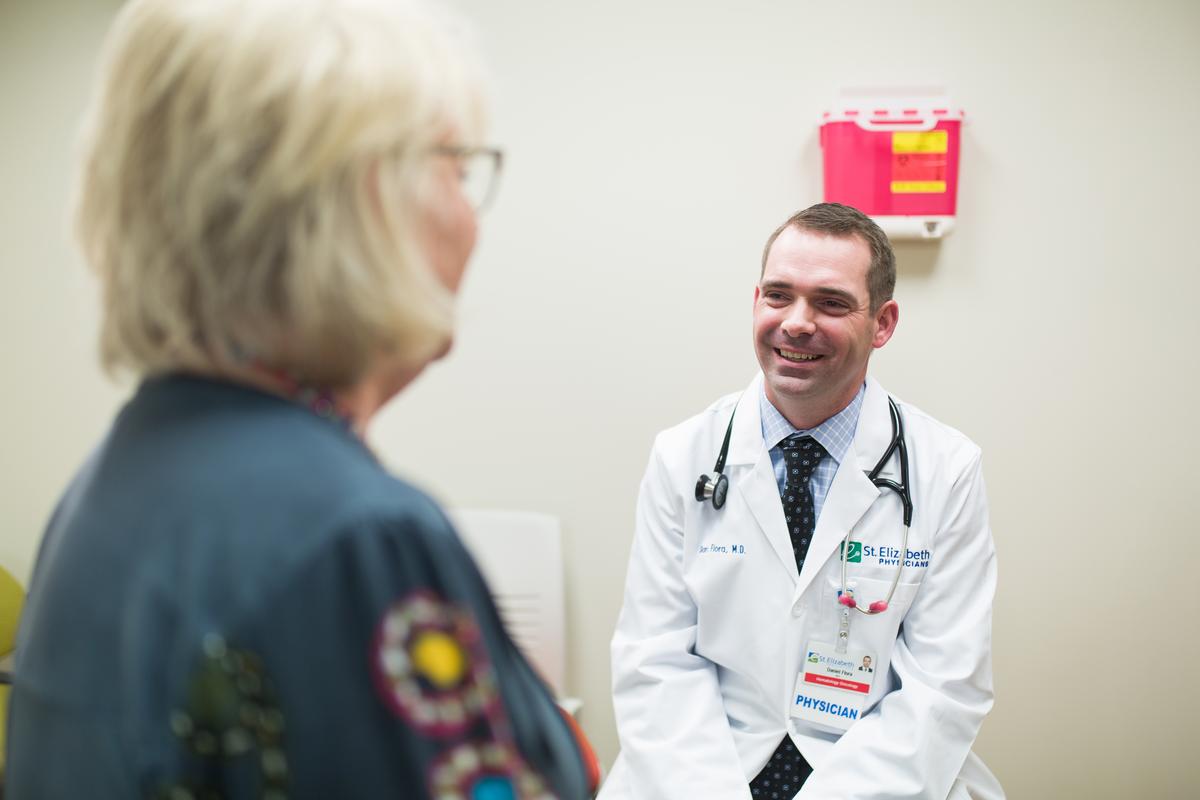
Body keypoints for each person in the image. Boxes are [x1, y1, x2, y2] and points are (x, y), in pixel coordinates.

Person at [4, 1, 594, 798]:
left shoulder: (118, 479)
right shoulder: (356, 542)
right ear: (360, 206)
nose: (470, 216)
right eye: (459, 168)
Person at [601, 203, 1002, 799]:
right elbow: (655, 661)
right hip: (703, 767)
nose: (796, 322)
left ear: (883, 323)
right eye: (778, 296)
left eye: (831, 303)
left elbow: (943, 687)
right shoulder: (683, 456)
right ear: (756, 300)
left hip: (879, 773)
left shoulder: (947, 468)